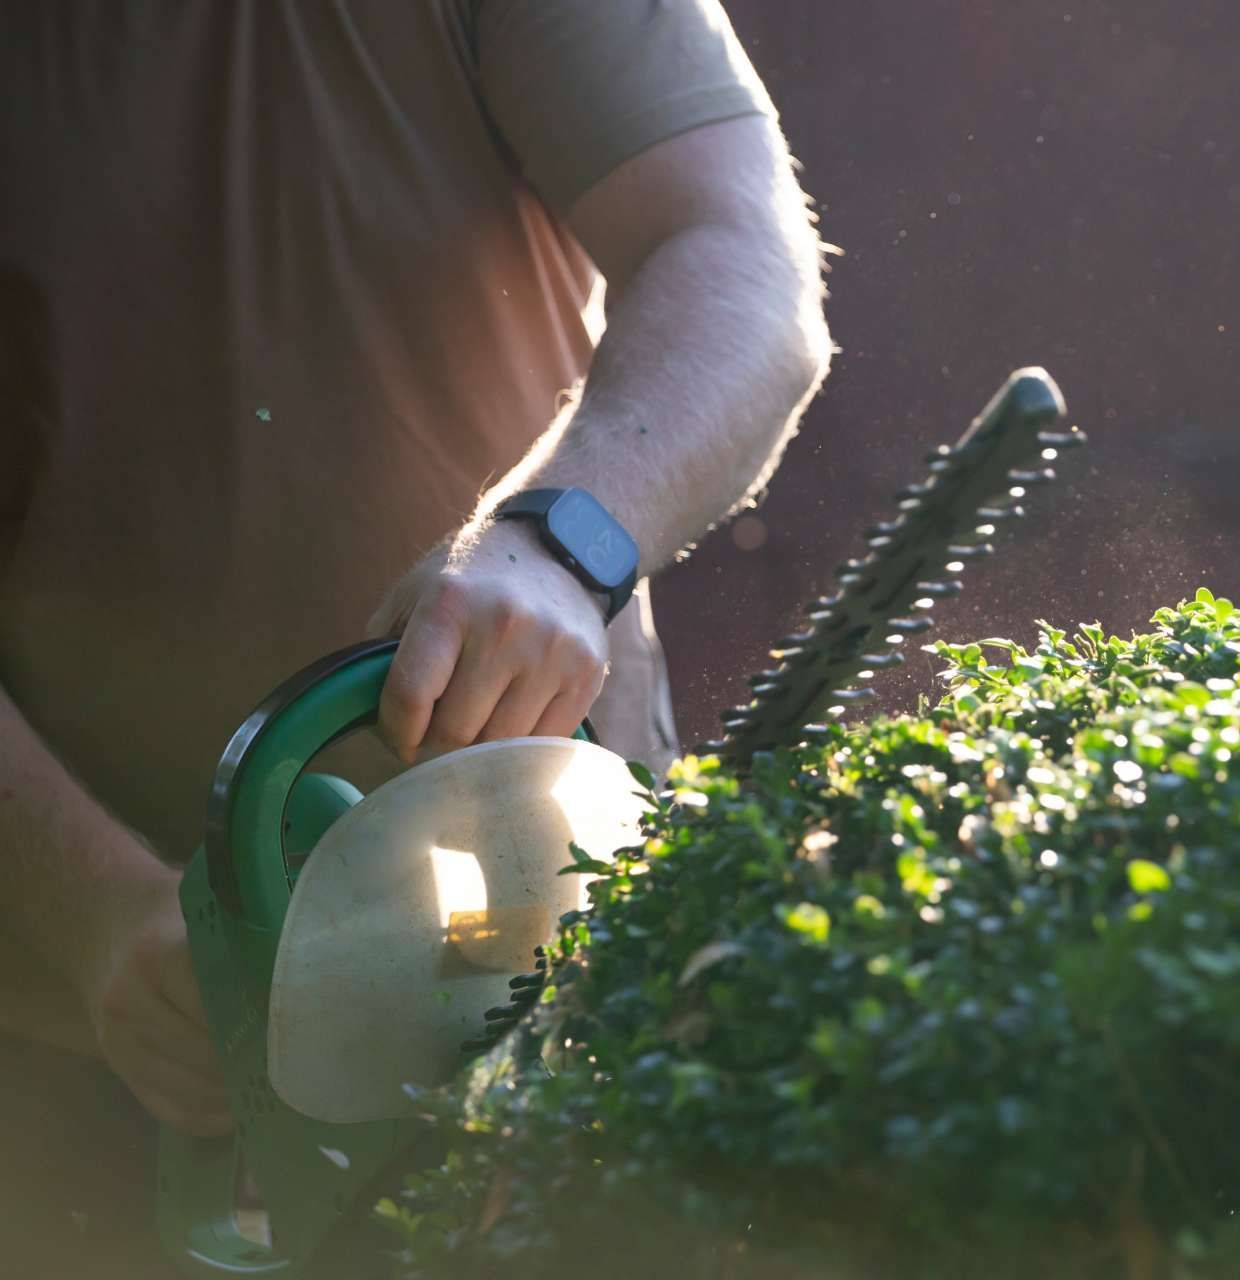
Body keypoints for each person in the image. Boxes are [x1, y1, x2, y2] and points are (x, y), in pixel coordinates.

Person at [0, 0, 829, 1270]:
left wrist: (560, 539)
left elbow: (737, 252)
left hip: (544, 920)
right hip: (88, 1039)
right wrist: (96, 915)